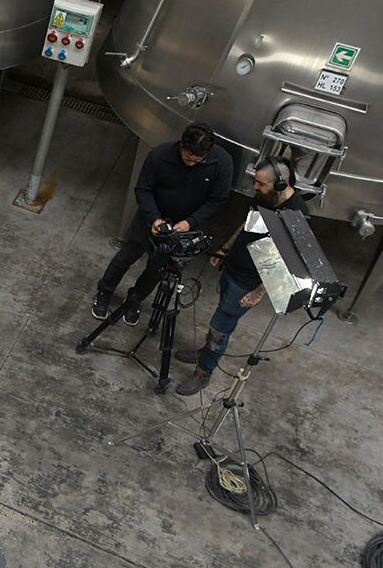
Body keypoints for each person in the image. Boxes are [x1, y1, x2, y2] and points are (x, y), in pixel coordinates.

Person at [175, 157, 308, 396]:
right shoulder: (266, 197)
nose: (255, 187)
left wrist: (258, 294)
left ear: (279, 184)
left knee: (220, 327)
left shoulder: (295, 214)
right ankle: (206, 352)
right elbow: (248, 223)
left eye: (261, 184)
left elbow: (288, 263)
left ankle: (203, 372)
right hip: (233, 267)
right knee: (220, 320)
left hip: (247, 283)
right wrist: (225, 248)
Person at [92, 122, 231, 325]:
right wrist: (154, 218)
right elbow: (143, 189)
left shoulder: (222, 163)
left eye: (196, 160)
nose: (190, 163)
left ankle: (135, 300)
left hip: (182, 228)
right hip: (150, 219)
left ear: (208, 152)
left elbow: (217, 201)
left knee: (157, 269)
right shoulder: (160, 155)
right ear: (181, 145)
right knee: (126, 256)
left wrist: (190, 223)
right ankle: (104, 292)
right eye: (186, 158)